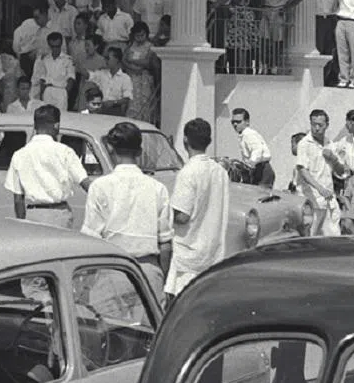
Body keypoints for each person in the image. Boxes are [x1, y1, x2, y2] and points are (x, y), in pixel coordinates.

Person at [81, 121, 172, 301]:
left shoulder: (100, 187)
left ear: (111, 149)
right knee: (150, 328)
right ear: (139, 152)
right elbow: (166, 244)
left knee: (111, 327)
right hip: (148, 271)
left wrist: (85, 283)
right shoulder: (158, 188)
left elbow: (91, 240)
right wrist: (162, 277)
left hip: (111, 271)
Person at [165, 118, 230, 300]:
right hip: (213, 252)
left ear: (185, 140)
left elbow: (182, 216)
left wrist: (164, 212)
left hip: (189, 256)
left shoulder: (188, 172)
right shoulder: (220, 172)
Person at [4, 104, 89, 228]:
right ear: (57, 125)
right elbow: (84, 182)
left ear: (35, 126)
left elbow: (18, 199)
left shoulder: (19, 155)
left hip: (32, 215)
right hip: (59, 214)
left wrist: (22, 224)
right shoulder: (65, 152)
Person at [295, 109, 344, 236]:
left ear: (327, 125)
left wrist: (333, 158)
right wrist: (319, 188)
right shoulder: (304, 144)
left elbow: (342, 171)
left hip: (329, 200)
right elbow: (302, 170)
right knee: (311, 235)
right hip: (311, 200)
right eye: (313, 124)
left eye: (320, 125)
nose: (316, 128)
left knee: (333, 235)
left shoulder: (330, 144)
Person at [123, 22, 160, 125]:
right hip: (132, 77)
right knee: (132, 102)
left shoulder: (150, 46)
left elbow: (147, 62)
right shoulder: (131, 45)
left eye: (142, 35)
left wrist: (132, 60)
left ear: (146, 34)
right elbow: (124, 60)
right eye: (137, 36)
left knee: (145, 102)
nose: (139, 38)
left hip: (144, 79)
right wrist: (132, 67)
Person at [230, 107, 275, 188]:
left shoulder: (248, 134)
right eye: (233, 122)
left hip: (261, 170)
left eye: (238, 121)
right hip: (258, 170)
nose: (235, 124)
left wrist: (249, 165)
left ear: (247, 122)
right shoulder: (244, 135)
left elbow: (258, 150)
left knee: (259, 196)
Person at [33, 32, 74, 111]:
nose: (55, 49)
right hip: (48, 90)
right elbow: (42, 78)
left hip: (61, 90)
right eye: (52, 46)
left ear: (61, 44)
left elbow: (71, 78)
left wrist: (66, 93)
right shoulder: (45, 59)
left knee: (61, 115)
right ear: (49, 45)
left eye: (57, 46)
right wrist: (41, 94)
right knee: (46, 114)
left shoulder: (68, 60)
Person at [92, 46, 133, 116]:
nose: (105, 60)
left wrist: (114, 102)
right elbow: (89, 75)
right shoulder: (102, 73)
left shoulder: (125, 78)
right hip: (100, 108)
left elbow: (127, 98)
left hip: (115, 110)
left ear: (116, 59)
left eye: (108, 58)